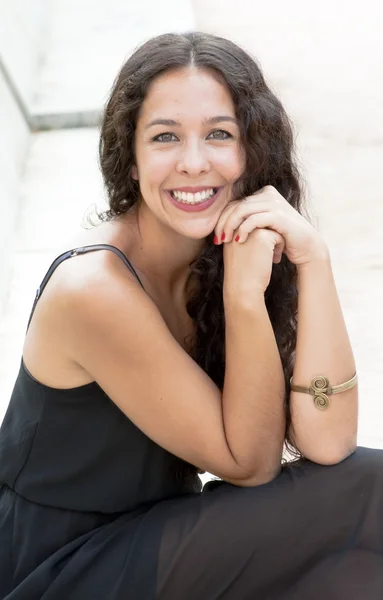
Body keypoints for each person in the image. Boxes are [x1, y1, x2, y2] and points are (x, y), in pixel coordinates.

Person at [0, 30, 382, 600]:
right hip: (64, 565)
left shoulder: (224, 252)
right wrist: (243, 300)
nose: (194, 163)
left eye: (219, 135)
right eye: (165, 137)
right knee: (371, 489)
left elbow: (327, 443)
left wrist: (313, 259)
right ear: (130, 159)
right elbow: (250, 465)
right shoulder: (93, 291)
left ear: (252, 151)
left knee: (354, 577)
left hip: (156, 541)